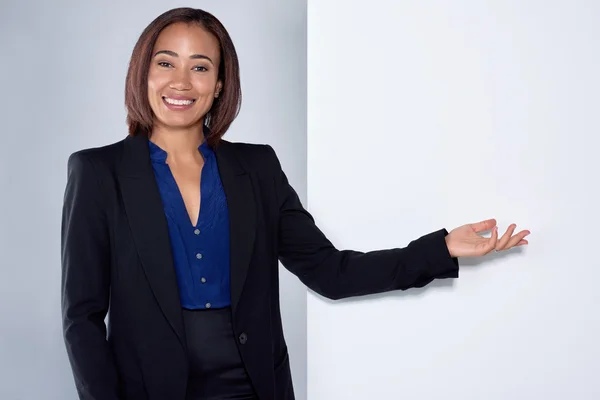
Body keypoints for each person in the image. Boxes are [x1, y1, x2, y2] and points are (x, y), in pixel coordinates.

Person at [60, 7, 530, 400]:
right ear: (143, 72)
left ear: (220, 83)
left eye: (200, 66)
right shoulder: (99, 173)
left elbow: (330, 271)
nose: (181, 81)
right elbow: (81, 318)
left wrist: (441, 248)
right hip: (148, 390)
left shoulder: (257, 169)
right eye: (166, 63)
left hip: (253, 385)